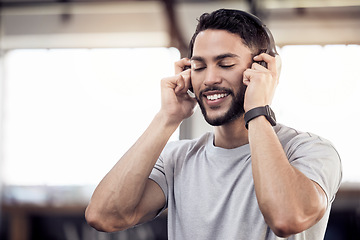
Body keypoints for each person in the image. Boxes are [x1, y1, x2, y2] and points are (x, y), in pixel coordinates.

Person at [85, 9, 342, 239]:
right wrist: (167, 118)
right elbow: (104, 216)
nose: (209, 79)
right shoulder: (176, 159)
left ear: (261, 68)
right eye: (198, 66)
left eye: (225, 64)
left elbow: (287, 219)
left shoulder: (311, 151)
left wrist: (258, 110)